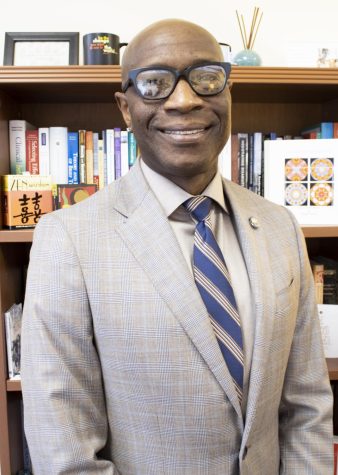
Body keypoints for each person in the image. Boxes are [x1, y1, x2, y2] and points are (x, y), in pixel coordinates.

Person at [21, 18, 333, 474]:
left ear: (228, 93)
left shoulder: (279, 225)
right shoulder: (67, 239)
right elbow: (63, 447)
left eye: (206, 78)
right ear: (125, 109)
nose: (185, 100)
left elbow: (307, 404)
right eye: (154, 84)